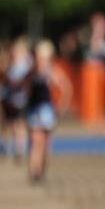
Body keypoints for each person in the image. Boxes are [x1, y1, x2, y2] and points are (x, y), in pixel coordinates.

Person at [24, 40, 72, 183]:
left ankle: (42, 170)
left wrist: (61, 106)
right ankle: (34, 171)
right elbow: (26, 91)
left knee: (45, 144)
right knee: (35, 141)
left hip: (47, 112)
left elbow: (66, 88)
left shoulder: (51, 72)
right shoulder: (31, 73)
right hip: (34, 110)